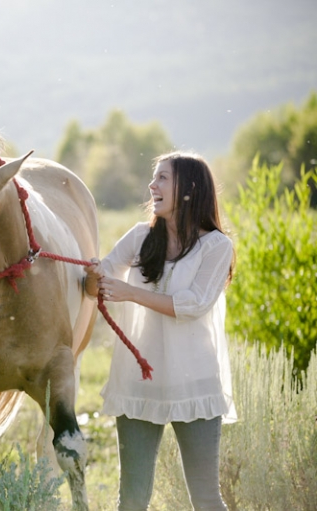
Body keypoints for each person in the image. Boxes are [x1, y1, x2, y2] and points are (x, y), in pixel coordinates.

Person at [83, 151, 236, 511]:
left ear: (189, 188)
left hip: (193, 382)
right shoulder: (139, 237)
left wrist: (131, 293)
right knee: (132, 499)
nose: (152, 185)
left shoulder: (216, 247)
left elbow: (193, 304)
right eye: (154, 178)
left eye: (162, 178)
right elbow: (97, 287)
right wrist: (94, 275)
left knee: (205, 497)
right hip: (138, 382)